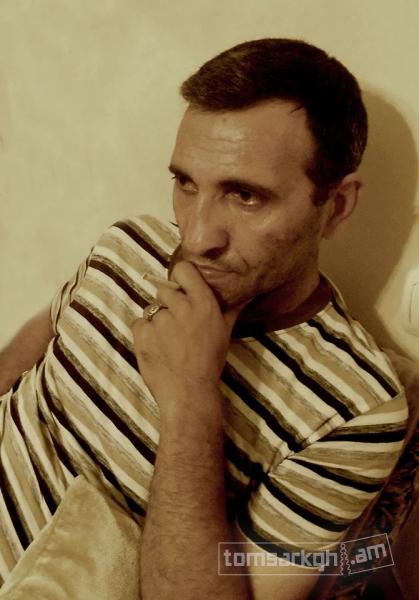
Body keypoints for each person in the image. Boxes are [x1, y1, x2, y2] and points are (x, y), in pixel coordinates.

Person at [0, 38, 407, 600]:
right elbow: (33, 347)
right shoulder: (127, 244)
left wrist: (190, 401)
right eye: (186, 183)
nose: (195, 236)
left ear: (335, 207)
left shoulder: (355, 411)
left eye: (245, 196)